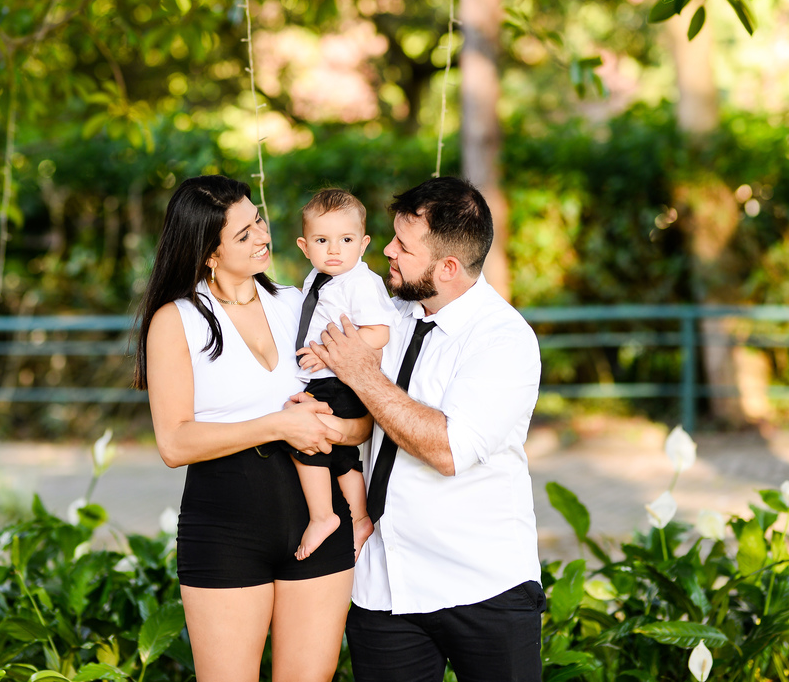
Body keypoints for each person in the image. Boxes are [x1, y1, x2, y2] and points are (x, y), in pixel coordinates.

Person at [303, 176, 546, 682]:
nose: (387, 251)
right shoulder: (385, 315)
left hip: (482, 586)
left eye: (404, 246)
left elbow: (448, 450)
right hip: (382, 587)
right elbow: (368, 424)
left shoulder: (503, 340)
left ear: (448, 267)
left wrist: (362, 374)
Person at [134, 175, 370, 682]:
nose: (263, 235)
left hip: (320, 517)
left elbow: (361, 420)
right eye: (243, 234)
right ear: (208, 254)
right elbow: (174, 443)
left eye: (257, 220)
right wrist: (279, 425)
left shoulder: (298, 303)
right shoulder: (177, 321)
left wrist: (335, 430)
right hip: (226, 526)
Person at [291, 189, 396, 562]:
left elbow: (378, 333)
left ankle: (323, 516)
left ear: (364, 244)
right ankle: (360, 518)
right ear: (305, 246)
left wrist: (325, 353)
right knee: (340, 455)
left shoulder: (360, 282)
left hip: (339, 381)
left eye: (346, 240)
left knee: (306, 440)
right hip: (322, 380)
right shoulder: (319, 277)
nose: (334, 250)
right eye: (322, 241)